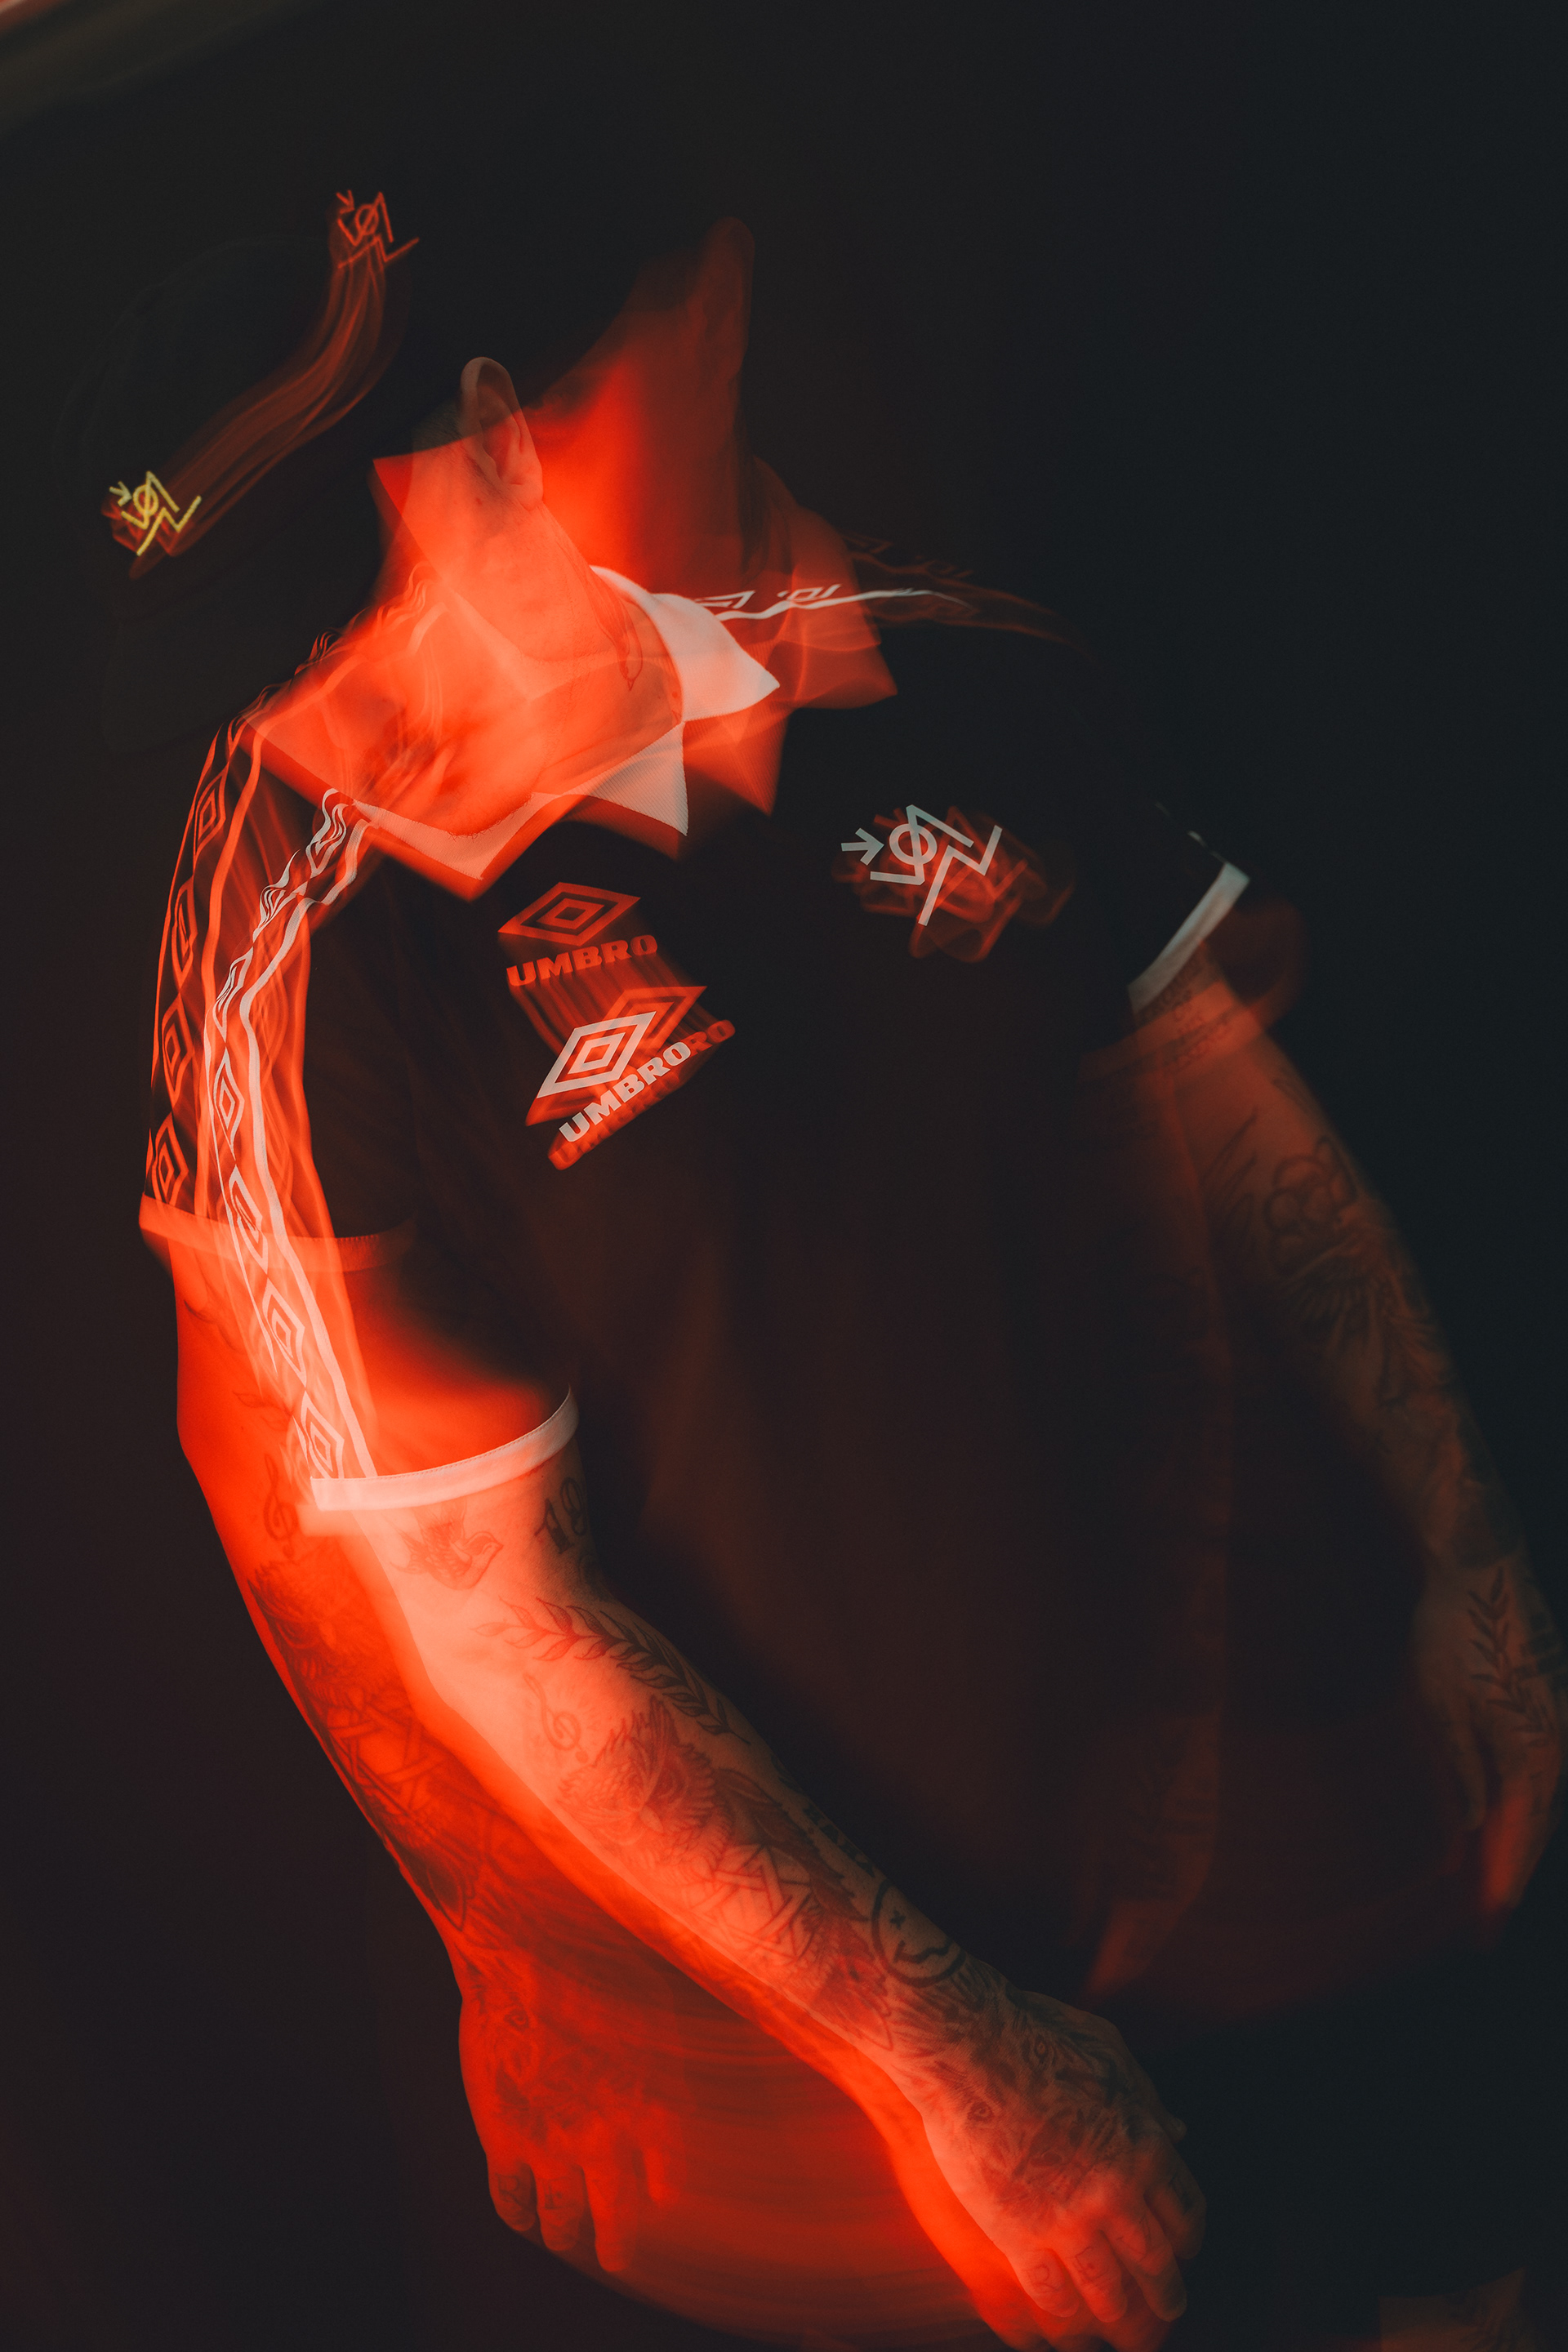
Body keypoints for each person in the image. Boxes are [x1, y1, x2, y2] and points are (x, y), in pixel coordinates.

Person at [57, 182, 1566, 2352]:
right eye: (257, 662)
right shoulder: (311, 925)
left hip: (1283, 1825)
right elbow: (428, 1573)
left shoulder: (945, 661)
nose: (314, 713)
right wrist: (926, 2052)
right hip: (877, 2050)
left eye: (331, 605)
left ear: (489, 440)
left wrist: (1468, 1565)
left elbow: (1255, 1152)